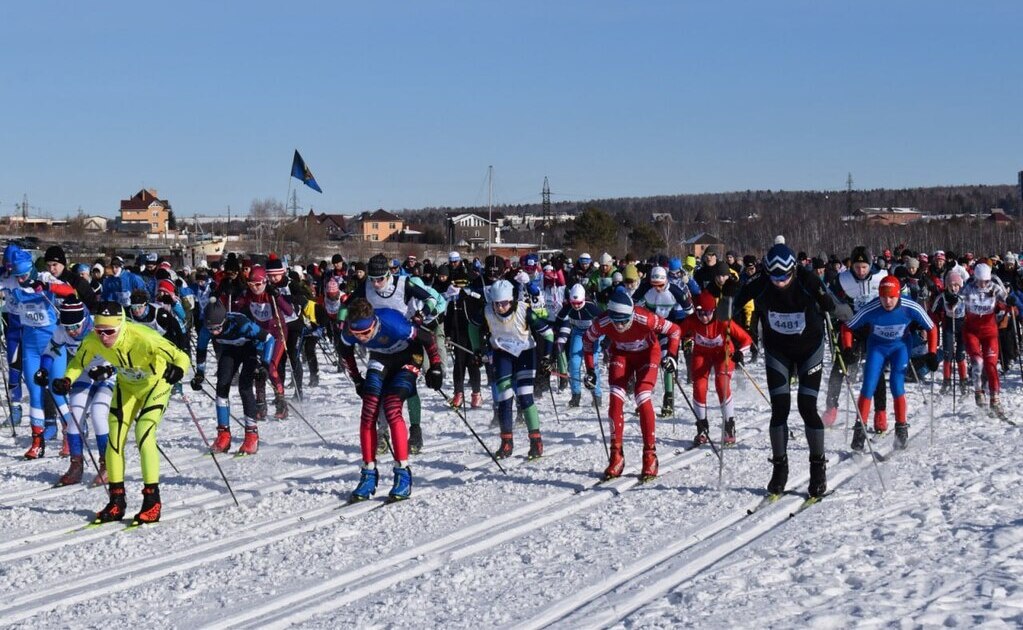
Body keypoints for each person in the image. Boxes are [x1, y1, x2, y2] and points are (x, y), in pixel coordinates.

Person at [54, 301, 189, 525]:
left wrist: (179, 370)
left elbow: (180, 356)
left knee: (144, 434)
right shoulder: (93, 340)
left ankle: (152, 501)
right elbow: (79, 361)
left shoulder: (143, 336)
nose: (104, 337)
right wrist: (67, 379)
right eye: (99, 331)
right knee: (114, 441)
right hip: (126, 388)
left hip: (156, 386)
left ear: (122, 326)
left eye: (109, 332)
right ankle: (117, 501)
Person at [729, 243, 835, 498]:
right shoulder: (761, 281)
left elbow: (831, 304)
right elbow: (733, 305)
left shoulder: (806, 278)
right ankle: (779, 469)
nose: (779, 282)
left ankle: (818, 468)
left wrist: (828, 306)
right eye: (775, 277)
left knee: (807, 406)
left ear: (793, 271)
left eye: (785, 277)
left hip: (810, 349)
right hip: (778, 350)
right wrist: (726, 303)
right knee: (780, 409)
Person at [338, 298, 443, 503]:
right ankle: (368, 472)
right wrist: (357, 380)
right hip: (381, 358)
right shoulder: (351, 332)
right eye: (357, 335)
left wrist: (435, 367)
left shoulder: (394, 324)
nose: (363, 339)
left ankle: (402, 472)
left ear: (374, 324)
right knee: (369, 410)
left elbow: (428, 338)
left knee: (392, 405)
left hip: (409, 356)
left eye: (365, 334)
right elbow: (346, 353)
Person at [583, 287, 681, 481]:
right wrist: (591, 370)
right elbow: (587, 341)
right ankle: (616, 455)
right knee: (615, 399)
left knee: (642, 395)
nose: (619, 326)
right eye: (615, 322)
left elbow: (675, 330)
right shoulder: (603, 321)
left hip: (647, 354)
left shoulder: (645, 318)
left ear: (631, 314)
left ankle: (649, 455)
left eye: (624, 321)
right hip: (621, 355)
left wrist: (671, 356)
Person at [842, 276, 938, 450]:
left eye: (892, 297)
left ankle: (901, 429)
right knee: (868, 385)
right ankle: (859, 431)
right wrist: (847, 349)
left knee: (896, 384)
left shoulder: (910, 306)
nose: (887, 301)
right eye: (883, 297)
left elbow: (932, 328)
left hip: (900, 347)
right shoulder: (871, 308)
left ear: (898, 295)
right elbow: (847, 327)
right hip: (877, 348)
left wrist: (932, 353)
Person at [36, 296, 113, 485]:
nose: (71, 332)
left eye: (75, 327)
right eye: (67, 327)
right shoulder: (62, 330)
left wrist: (108, 370)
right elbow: (49, 352)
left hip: (108, 372)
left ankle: (107, 465)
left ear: (85, 319)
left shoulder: (98, 327)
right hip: (83, 374)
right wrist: (43, 370)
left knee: (98, 414)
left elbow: (121, 352)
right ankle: (76, 465)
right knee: (74, 418)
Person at [477, 279, 554, 460]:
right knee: (504, 398)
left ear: (511, 300)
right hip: (502, 355)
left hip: (525, 353)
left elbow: (548, 332)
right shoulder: (487, 311)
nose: (500, 308)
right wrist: (477, 350)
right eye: (497, 304)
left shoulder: (523, 311)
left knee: (525, 396)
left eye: (504, 303)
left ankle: (535, 440)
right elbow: (473, 327)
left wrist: (547, 358)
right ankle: (506, 442)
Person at [192, 301, 277, 455]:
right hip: (230, 350)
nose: (215, 332)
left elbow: (270, 339)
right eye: (211, 329)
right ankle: (223, 435)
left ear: (224, 321)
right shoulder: (206, 329)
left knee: (245, 387)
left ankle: (251, 435)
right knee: (222, 386)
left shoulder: (241, 324)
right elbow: (201, 350)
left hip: (251, 349)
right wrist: (199, 373)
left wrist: (264, 365)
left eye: (218, 328)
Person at [823, 245, 889, 430]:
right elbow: (831, 298)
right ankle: (831, 409)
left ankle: (880, 414)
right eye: (857, 266)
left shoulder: (882, 276)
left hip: (875, 328)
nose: (860, 271)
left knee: (876, 371)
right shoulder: (843, 279)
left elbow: (896, 295)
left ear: (870, 264)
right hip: (851, 327)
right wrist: (831, 312)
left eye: (864, 267)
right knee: (840, 367)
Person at [677, 290, 752, 447]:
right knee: (699, 387)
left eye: (707, 313)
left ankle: (729, 425)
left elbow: (746, 339)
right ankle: (702, 427)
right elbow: (675, 334)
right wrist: (682, 342)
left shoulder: (723, 320)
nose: (704, 317)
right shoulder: (691, 320)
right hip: (701, 354)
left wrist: (740, 353)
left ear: (714, 310)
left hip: (723, 354)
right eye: (700, 313)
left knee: (722, 384)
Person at [632, 265, 694, 417]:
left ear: (666, 281)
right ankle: (644, 399)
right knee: (647, 362)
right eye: (655, 285)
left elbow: (690, 313)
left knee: (667, 361)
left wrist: (688, 335)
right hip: (651, 327)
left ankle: (669, 398)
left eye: (660, 285)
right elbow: (631, 304)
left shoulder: (674, 290)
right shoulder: (646, 287)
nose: (658, 288)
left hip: (668, 327)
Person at [959, 262, 1009, 416]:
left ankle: (995, 398)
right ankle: (978, 391)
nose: (983, 284)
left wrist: (1009, 302)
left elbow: (1005, 298)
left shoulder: (993, 287)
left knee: (991, 365)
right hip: (972, 331)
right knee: (977, 362)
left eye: (986, 281)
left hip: (989, 332)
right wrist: (952, 300)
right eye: (980, 281)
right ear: (975, 278)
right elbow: (956, 300)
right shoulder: (969, 288)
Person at [555, 284, 603, 408]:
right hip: (578, 333)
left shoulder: (591, 308)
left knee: (592, 365)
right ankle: (576, 395)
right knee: (574, 364)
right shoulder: (568, 307)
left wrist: (604, 339)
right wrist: (556, 331)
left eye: (579, 303)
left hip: (592, 334)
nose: (576, 306)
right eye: (573, 303)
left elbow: (605, 321)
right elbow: (558, 320)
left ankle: (596, 395)